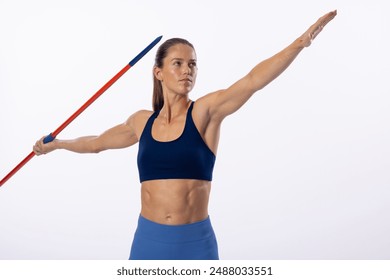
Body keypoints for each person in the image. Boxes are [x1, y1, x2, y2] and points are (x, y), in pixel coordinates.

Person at [33, 10, 337, 260]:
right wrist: (58, 144)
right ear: (159, 72)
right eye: (177, 64)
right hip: (147, 243)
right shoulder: (141, 122)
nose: (186, 71)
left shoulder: (205, 113)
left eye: (192, 64)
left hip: (196, 245)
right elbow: (96, 143)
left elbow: (252, 81)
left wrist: (299, 43)